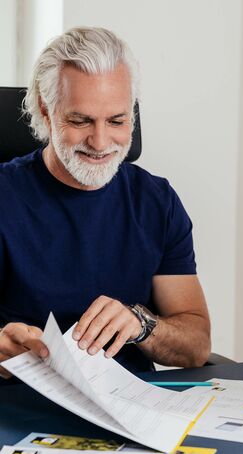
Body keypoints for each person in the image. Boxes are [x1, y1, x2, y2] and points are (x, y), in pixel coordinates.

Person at [0, 27, 211, 377]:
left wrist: (141, 324)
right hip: (19, 408)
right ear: (46, 110)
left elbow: (196, 347)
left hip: (130, 410)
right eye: (81, 120)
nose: (100, 142)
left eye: (117, 121)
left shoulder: (157, 202)